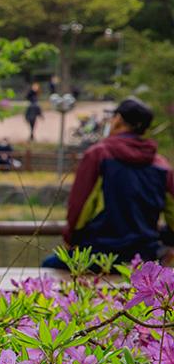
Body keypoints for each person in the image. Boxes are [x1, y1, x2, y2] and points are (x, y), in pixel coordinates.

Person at [43, 97, 174, 268]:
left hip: (98, 253)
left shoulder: (98, 155)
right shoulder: (161, 165)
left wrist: (70, 239)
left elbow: (79, 206)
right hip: (143, 257)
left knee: (48, 267)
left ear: (118, 119)